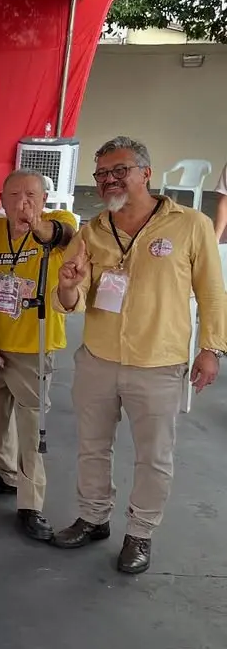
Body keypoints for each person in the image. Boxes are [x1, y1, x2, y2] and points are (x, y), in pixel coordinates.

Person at [52, 136, 226, 574]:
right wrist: (68, 285)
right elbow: (70, 300)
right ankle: (93, 518)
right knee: (92, 446)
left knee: (154, 456)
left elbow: (211, 292)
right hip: (99, 358)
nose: (109, 180)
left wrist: (211, 348)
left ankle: (140, 533)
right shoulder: (91, 231)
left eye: (119, 170)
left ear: (146, 173)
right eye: (101, 173)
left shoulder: (191, 225)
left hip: (159, 362)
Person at [0, 171, 76, 541]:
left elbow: (62, 236)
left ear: (44, 199)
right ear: (1, 198)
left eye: (31, 194)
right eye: (14, 194)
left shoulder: (59, 222)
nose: (22, 201)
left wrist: (36, 225)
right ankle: (6, 475)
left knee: (31, 428)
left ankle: (31, 503)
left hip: (34, 344)